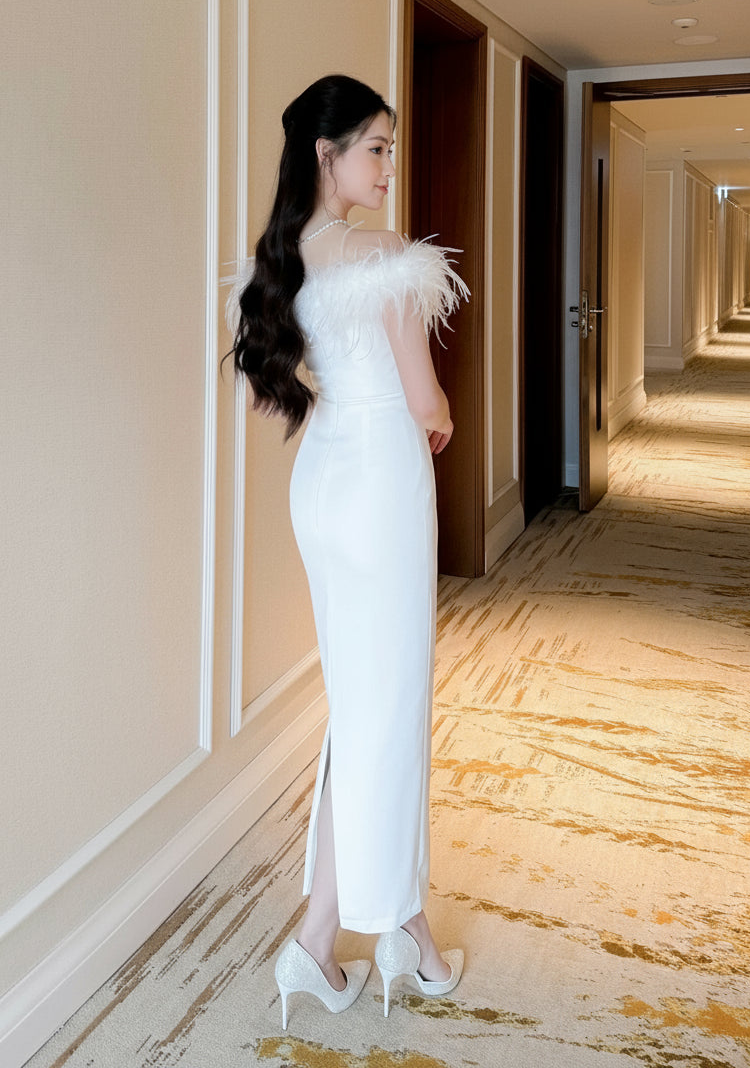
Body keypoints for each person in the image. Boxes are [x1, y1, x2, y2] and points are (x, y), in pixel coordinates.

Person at [228, 75, 466, 1029]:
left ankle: (326, 944)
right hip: (383, 493)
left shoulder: (278, 263)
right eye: (376, 147)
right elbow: (427, 403)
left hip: (322, 487)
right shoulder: (386, 257)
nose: (388, 164)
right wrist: (437, 422)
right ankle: (391, 930)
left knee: (363, 705)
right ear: (326, 154)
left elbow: (265, 396)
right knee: (389, 704)